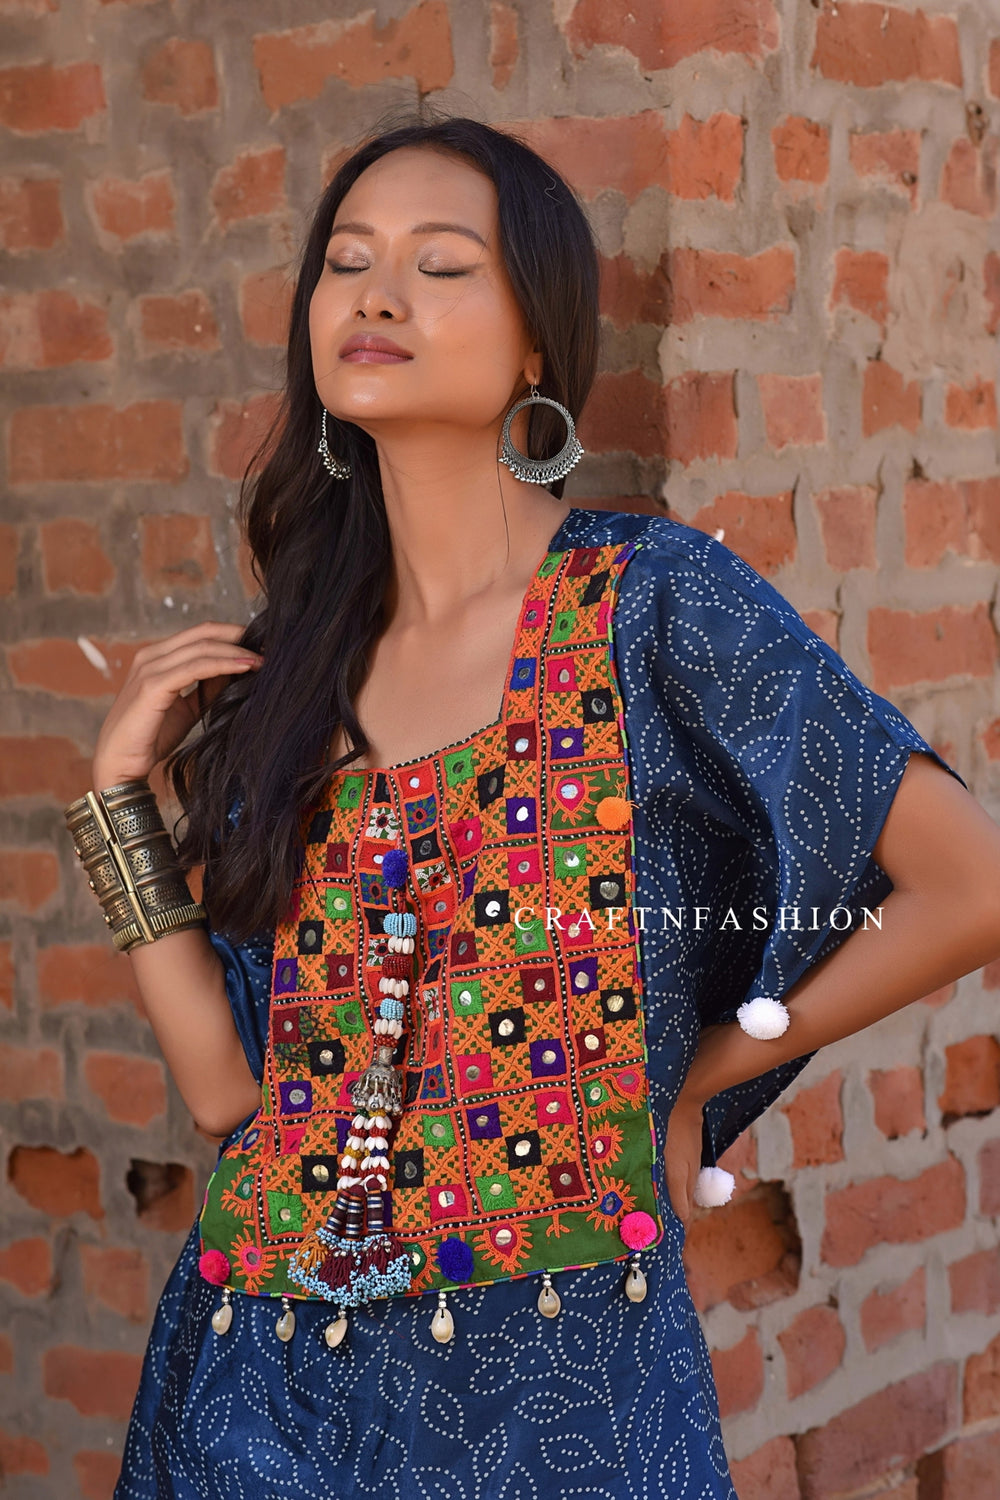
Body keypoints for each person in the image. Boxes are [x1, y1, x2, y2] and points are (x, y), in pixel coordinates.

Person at [63, 114, 1000, 1500]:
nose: (378, 296)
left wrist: (698, 1076)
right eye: (346, 263)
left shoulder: (648, 604)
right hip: (259, 1391)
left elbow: (971, 885)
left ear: (537, 349)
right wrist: (118, 804)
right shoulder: (293, 672)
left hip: (562, 1392)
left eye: (441, 266)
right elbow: (229, 1096)